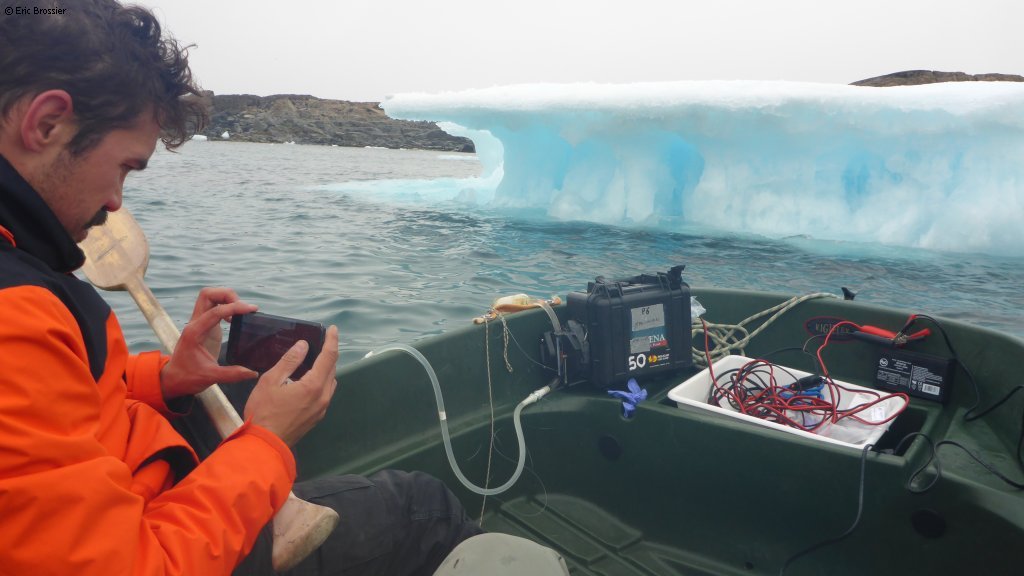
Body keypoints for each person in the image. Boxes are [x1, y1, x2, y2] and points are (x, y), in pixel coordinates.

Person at [0, 1, 482, 575]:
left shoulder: (24, 262)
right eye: (126, 166)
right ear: (47, 123)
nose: (116, 204)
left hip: (138, 478)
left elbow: (56, 402)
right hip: (170, 541)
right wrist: (268, 441)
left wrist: (166, 379)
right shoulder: (14, 317)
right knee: (422, 508)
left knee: (224, 390)